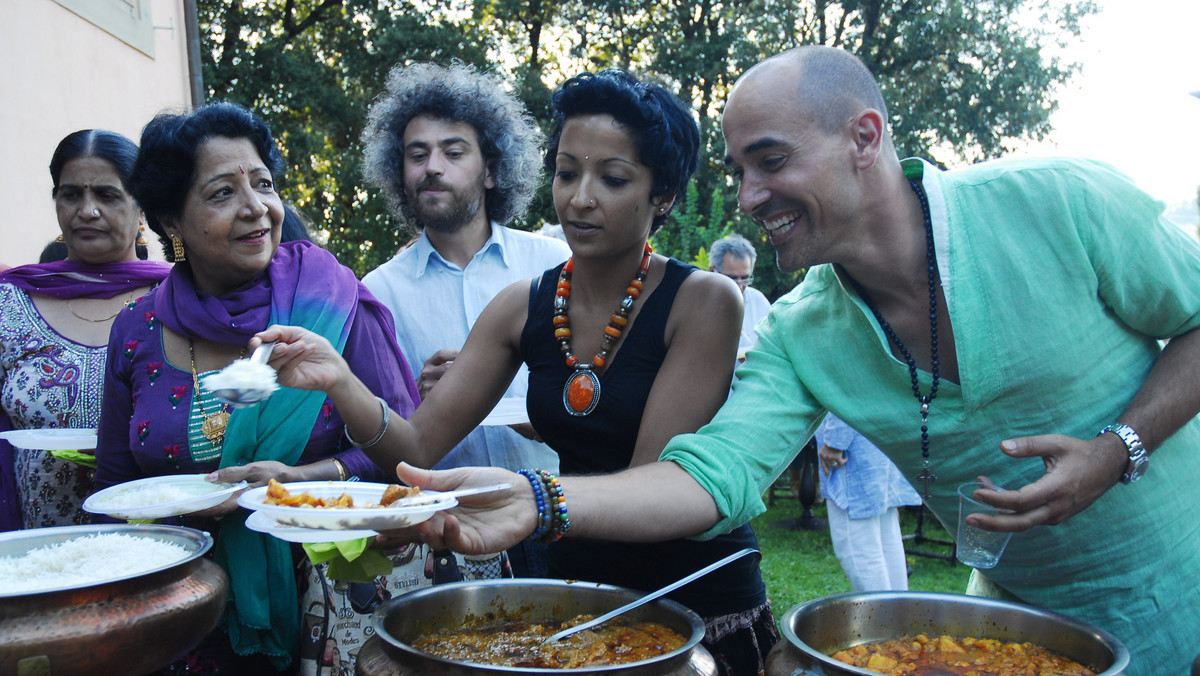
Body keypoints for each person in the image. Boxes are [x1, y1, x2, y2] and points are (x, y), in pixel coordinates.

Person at [363, 46, 1200, 675]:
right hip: (1013, 633)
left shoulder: (1057, 201)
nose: (749, 198)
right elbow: (711, 475)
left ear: (863, 137)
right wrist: (536, 499)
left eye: (770, 161)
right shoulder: (805, 331)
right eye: (738, 171)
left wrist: (1115, 448)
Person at [254, 69, 778, 675]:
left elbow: (651, 478)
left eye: (611, 178)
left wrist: (525, 500)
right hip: (576, 593)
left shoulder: (705, 301)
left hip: (693, 600)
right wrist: (340, 381)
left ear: (662, 196)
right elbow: (421, 443)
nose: (580, 197)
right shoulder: (524, 303)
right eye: (566, 172)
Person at [92, 102, 420, 672]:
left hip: (333, 616)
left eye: (264, 185)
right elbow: (113, 492)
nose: (257, 209)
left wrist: (302, 481)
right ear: (171, 220)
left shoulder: (333, 304)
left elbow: (410, 461)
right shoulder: (136, 329)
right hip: (179, 617)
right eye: (222, 193)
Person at [358, 62, 570, 576]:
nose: (432, 166)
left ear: (491, 170)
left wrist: (534, 406)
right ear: (398, 172)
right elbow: (380, 435)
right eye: (417, 154)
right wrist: (418, 397)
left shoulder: (556, 265)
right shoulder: (375, 292)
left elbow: (603, 391)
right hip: (452, 535)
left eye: (453, 152)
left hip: (561, 520)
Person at [0, 130, 170, 532]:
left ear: (141, 206)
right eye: (71, 194)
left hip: (159, 540)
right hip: (40, 554)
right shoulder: (10, 303)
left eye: (108, 195)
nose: (87, 210)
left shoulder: (179, 300)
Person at [815, 413, 920, 592]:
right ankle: (899, 617)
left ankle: (883, 619)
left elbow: (849, 387)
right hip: (879, 438)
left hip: (853, 449)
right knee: (886, 537)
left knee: (859, 550)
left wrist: (835, 441)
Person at [709, 233, 770, 357]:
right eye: (732, 278)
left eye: (745, 278)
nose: (739, 285)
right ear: (712, 271)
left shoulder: (758, 302)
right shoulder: (697, 302)